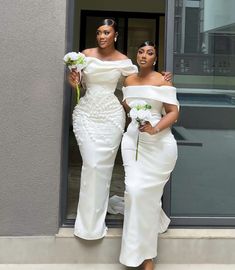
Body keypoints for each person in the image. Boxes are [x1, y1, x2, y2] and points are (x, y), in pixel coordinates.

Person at [68, 19, 172, 240]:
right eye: (98, 32)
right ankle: (88, 226)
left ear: (115, 35)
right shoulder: (84, 55)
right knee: (92, 164)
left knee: (103, 167)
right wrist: (74, 82)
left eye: (106, 32)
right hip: (86, 113)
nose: (101, 36)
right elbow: (78, 85)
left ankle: (99, 215)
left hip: (111, 116)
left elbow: (137, 83)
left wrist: (161, 79)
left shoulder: (124, 61)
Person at [119, 41, 179, 270]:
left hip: (160, 145)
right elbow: (128, 107)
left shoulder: (162, 80)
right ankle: (137, 254)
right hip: (133, 141)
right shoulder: (128, 81)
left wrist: (154, 128)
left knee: (148, 198)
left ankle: (147, 257)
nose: (144, 55)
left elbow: (174, 112)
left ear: (155, 59)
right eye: (141, 51)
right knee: (134, 192)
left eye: (150, 53)